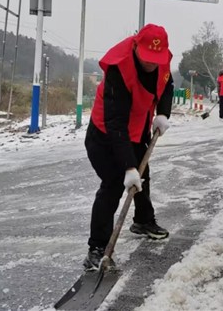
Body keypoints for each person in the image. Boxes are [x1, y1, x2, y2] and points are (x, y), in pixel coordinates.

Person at [83, 23, 174, 270]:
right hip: (105, 135)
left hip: (135, 130)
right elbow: (115, 123)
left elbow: (167, 86)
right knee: (114, 183)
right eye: (147, 58)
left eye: (156, 59)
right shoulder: (119, 68)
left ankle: (143, 221)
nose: (152, 63)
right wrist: (127, 166)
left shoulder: (162, 60)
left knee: (142, 175)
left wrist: (163, 113)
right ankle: (97, 248)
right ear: (135, 47)